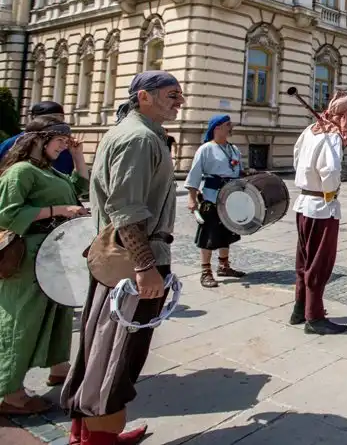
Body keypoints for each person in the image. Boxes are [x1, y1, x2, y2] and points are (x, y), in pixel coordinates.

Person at [61, 71, 183, 445]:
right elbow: (126, 211)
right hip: (130, 262)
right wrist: (145, 267)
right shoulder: (138, 137)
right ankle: (100, 439)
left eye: (180, 95)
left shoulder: (138, 132)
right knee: (116, 357)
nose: (179, 101)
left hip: (118, 259)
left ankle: (86, 434)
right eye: (171, 94)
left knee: (100, 347)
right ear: (144, 97)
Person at [0, 117, 89, 416]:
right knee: (21, 322)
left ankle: (60, 369)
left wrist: (77, 156)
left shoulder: (47, 170)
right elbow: (6, 214)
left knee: (56, 317)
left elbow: (78, 186)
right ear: (40, 138)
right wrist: (60, 210)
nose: (65, 146)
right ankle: (11, 393)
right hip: (27, 258)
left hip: (52, 256)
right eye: (61, 141)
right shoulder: (21, 171)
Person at [289, 91, 347, 335]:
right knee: (319, 263)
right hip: (322, 207)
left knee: (304, 259)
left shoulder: (309, 131)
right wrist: (331, 190)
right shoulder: (331, 135)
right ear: (344, 114)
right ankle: (314, 317)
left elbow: (296, 159)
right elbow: (330, 169)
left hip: (304, 201)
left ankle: (299, 308)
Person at [185, 115, 246, 289]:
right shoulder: (206, 149)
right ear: (217, 128)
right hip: (211, 198)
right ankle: (205, 271)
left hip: (230, 198)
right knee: (208, 235)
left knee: (226, 233)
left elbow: (237, 171)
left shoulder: (233, 149)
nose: (230, 127)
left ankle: (224, 266)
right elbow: (195, 174)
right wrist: (191, 197)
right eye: (227, 125)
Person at [0, 102, 75, 175]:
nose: (57, 125)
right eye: (52, 120)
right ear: (35, 120)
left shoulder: (65, 148)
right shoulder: (11, 144)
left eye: (61, 120)